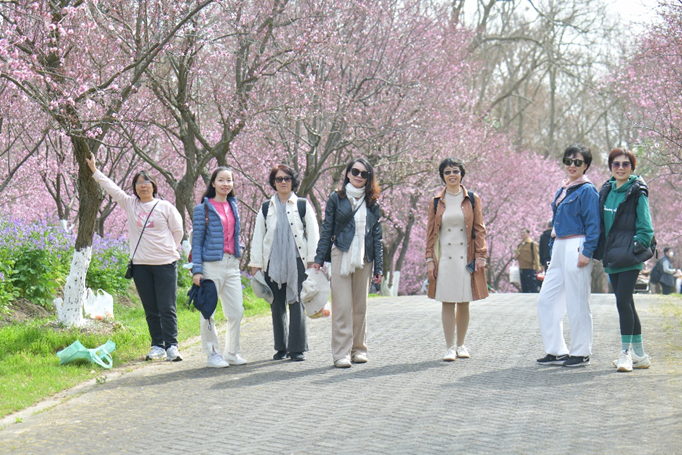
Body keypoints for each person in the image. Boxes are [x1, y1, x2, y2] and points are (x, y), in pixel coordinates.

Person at [85, 153, 183, 361]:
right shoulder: (131, 204)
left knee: (167, 307)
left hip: (165, 264)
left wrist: (168, 250)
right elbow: (112, 188)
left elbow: (178, 232)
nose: (143, 186)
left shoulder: (165, 207)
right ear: (135, 188)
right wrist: (95, 171)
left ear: (154, 186)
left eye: (146, 182)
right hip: (140, 266)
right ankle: (157, 345)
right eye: (138, 183)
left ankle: (172, 346)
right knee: (151, 308)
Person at [313, 158, 383, 368]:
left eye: (364, 174)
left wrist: (379, 267)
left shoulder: (373, 203)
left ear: (369, 178)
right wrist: (319, 259)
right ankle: (341, 353)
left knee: (360, 306)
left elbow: (377, 237)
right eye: (355, 171)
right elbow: (327, 229)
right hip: (341, 253)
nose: (359, 176)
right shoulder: (337, 198)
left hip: (364, 257)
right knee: (342, 306)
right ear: (348, 174)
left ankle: (359, 349)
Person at [536, 144, 600, 368]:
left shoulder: (587, 190)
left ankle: (581, 352)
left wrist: (587, 251)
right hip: (559, 245)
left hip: (577, 244)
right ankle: (556, 350)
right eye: (568, 161)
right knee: (546, 300)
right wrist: (553, 249)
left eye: (577, 162)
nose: (572, 165)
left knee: (577, 300)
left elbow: (594, 224)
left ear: (586, 165)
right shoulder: (563, 189)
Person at [250, 164, 320, 362]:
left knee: (297, 302)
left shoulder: (302, 205)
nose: (283, 182)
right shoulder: (266, 207)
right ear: (274, 182)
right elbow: (258, 236)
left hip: (297, 261)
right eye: (279, 179)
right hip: (272, 262)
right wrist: (256, 264)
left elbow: (313, 234)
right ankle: (281, 347)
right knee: (276, 304)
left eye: (287, 178)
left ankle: (296, 348)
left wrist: (313, 261)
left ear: (293, 181)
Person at [596, 148, 655, 372]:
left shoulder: (637, 192)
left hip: (629, 257)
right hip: (612, 256)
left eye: (625, 164)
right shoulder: (606, 190)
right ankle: (640, 354)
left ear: (632, 167)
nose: (620, 168)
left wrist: (634, 248)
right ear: (610, 167)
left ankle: (625, 354)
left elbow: (646, 228)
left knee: (622, 301)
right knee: (627, 302)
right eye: (616, 164)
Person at [425, 158, 488, 362]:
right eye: (447, 172)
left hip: (465, 257)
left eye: (455, 171)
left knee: (463, 302)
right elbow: (430, 233)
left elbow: (479, 229)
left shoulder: (472, 199)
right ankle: (449, 347)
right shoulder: (436, 202)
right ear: (442, 176)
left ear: (461, 174)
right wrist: (430, 260)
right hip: (445, 257)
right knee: (447, 302)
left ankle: (461, 345)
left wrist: (481, 255)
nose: (452, 175)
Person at [191, 167, 246, 368]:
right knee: (208, 312)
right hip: (210, 265)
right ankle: (213, 353)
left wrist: (239, 248)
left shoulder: (234, 206)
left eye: (229, 180)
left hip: (232, 264)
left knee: (236, 311)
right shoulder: (202, 209)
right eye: (221, 180)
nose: (225, 184)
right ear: (213, 183)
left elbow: (234, 235)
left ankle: (232, 352)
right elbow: (197, 241)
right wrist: (197, 270)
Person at [514, 228, 541, 293]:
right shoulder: (520, 245)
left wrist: (537, 267)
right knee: (524, 288)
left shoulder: (532, 244)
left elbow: (536, 256)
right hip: (522, 268)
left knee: (532, 287)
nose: (522, 234)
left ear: (528, 234)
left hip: (530, 268)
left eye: (524, 233)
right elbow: (516, 256)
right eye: (521, 233)